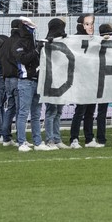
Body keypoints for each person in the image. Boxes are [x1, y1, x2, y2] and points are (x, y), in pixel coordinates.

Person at [12, 17, 54, 152]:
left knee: (36, 114)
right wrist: (36, 50)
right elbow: (22, 59)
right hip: (25, 82)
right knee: (23, 113)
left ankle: (37, 142)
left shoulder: (33, 42)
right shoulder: (18, 43)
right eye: (28, 26)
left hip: (37, 81)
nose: (32, 28)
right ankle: (22, 142)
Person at [69, 14, 100, 148]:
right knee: (80, 110)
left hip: (93, 80)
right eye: (87, 23)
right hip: (81, 81)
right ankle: (74, 139)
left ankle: (89, 139)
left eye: (92, 23)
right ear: (81, 25)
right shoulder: (75, 39)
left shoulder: (95, 39)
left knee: (90, 111)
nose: (90, 26)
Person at [42, 18, 68, 149]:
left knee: (58, 112)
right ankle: (50, 139)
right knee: (51, 112)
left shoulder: (65, 41)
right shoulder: (45, 43)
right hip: (50, 82)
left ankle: (57, 139)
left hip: (62, 82)